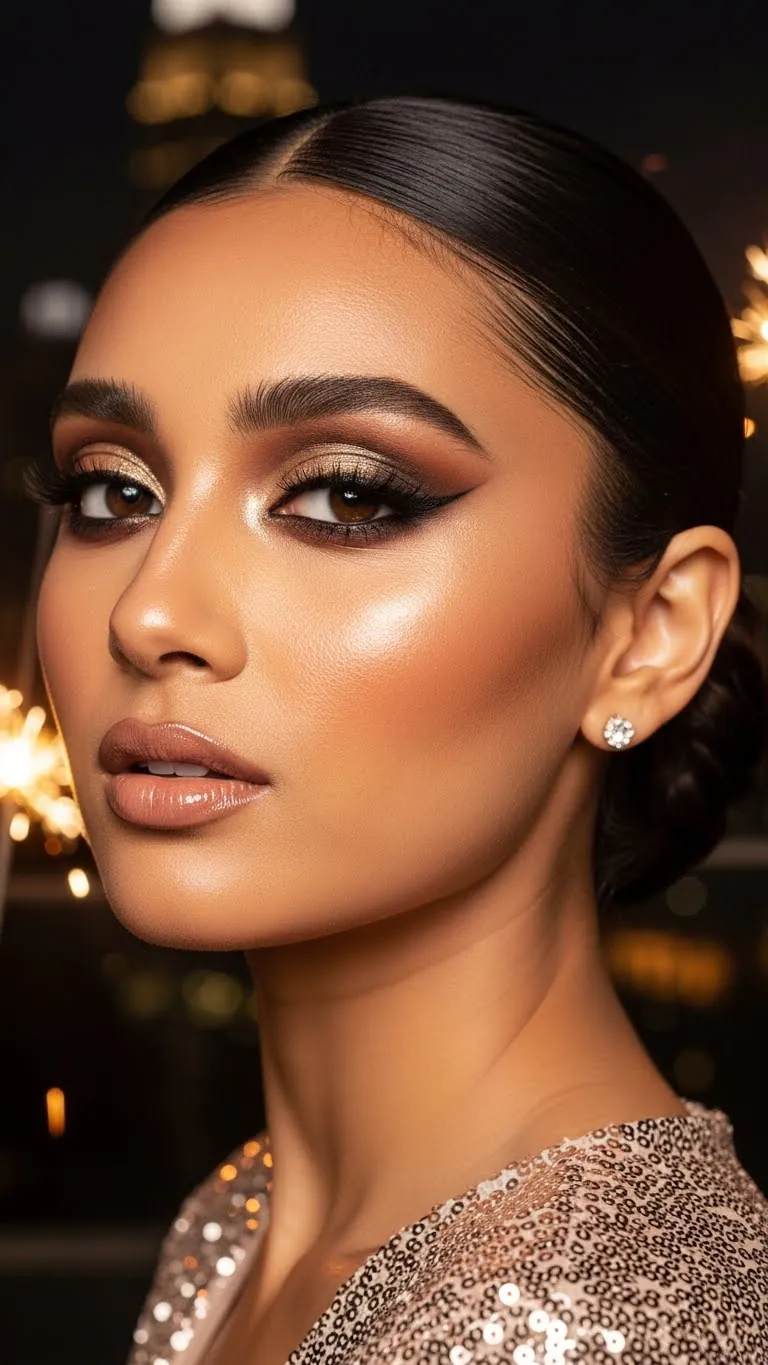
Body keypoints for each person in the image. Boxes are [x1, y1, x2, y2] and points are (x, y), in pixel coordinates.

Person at [25, 94, 768, 1364]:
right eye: (114, 490)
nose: (151, 612)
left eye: (346, 498)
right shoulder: (238, 1224)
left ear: (648, 634)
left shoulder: (621, 1324)